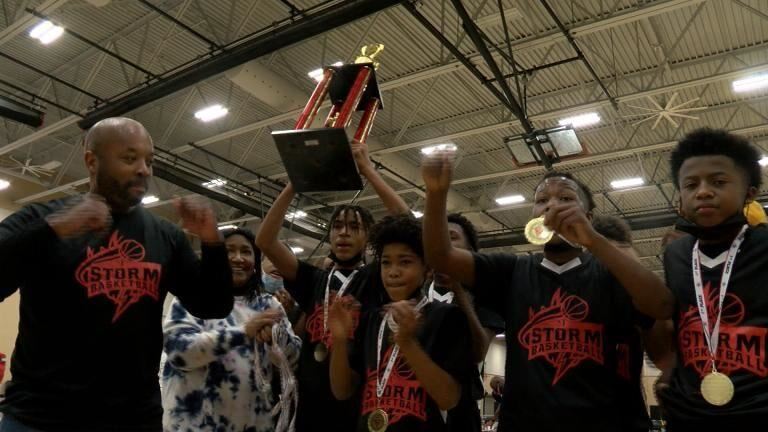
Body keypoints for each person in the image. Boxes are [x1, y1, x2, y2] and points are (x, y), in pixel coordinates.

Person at [0, 117, 234, 432]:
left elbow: (213, 305)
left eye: (149, 161)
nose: (144, 169)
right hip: (40, 417)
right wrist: (53, 229)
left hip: (132, 418)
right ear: (91, 161)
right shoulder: (41, 218)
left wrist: (212, 242)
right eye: (129, 158)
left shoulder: (165, 235)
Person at [421, 149, 674, 431]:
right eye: (542, 200)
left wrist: (592, 239)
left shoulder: (613, 271)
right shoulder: (512, 270)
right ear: (533, 217)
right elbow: (440, 257)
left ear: (588, 217)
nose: (551, 206)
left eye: (566, 199)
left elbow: (662, 305)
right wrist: (436, 193)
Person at [255, 140, 409, 431]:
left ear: (369, 237)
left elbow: (409, 227)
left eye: (354, 227)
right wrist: (294, 184)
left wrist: (367, 170)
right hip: (310, 400)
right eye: (337, 227)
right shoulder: (314, 278)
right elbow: (265, 241)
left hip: (357, 398)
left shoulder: (376, 277)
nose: (343, 233)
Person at [656, 128, 768, 430]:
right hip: (690, 413)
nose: (703, 191)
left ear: (750, 193)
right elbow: (679, 323)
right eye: (690, 184)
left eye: (718, 182)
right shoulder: (676, 254)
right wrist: (671, 369)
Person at [327, 215, 474, 431]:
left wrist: (407, 343)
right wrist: (339, 341)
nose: (393, 272)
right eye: (386, 263)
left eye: (405, 262)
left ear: (427, 269)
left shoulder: (447, 317)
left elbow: (449, 399)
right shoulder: (370, 319)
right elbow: (342, 391)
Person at [162, 228, 301, 432]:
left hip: (253, 424)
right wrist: (243, 332)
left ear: (255, 262)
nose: (238, 258)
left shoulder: (268, 305)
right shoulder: (191, 298)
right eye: (229, 251)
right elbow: (178, 352)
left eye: (246, 251)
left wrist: (276, 340)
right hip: (193, 425)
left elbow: (295, 358)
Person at [429, 213, 504, 432]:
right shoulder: (415, 289)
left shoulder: (486, 297)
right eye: (437, 238)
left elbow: (478, 352)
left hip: (460, 408)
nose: (442, 243)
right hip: (414, 401)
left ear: (471, 253)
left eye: (451, 237)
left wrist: (457, 289)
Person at [262, 253, 306, 337]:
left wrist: (286, 316)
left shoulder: (297, 308)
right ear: (261, 263)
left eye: (284, 263)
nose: (278, 265)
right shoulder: (245, 295)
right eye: (273, 259)